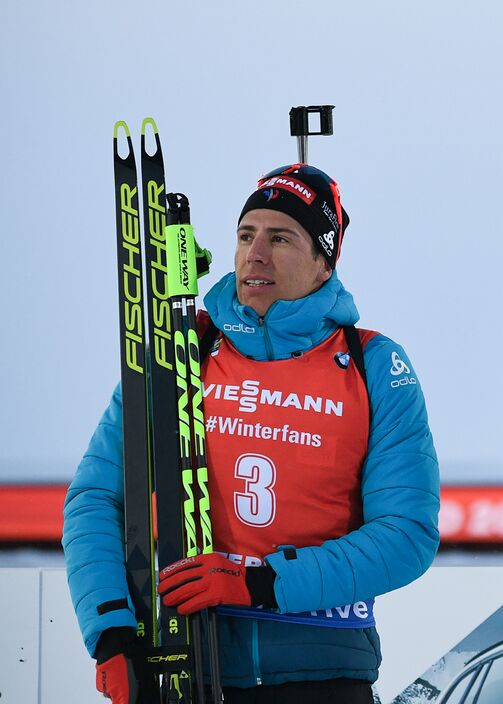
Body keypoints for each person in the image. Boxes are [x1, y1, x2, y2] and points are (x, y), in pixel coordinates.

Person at [64, 164, 440, 704]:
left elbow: (407, 534)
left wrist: (260, 583)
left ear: (322, 260)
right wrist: (110, 632)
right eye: (246, 235)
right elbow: (96, 497)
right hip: (183, 665)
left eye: (280, 238)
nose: (254, 254)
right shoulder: (180, 353)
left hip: (324, 673)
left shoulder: (373, 364)